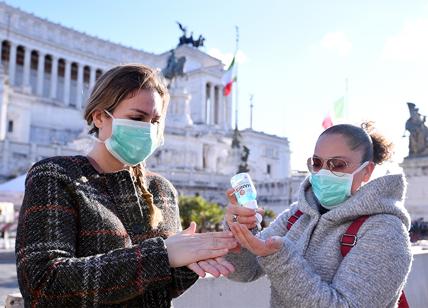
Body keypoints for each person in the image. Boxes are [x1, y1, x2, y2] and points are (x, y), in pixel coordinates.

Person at [15, 64, 237, 307]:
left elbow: (164, 288)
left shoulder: (161, 190)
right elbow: (42, 285)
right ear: (99, 116)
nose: (148, 129)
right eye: (137, 118)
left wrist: (199, 255)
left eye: (155, 120)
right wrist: (163, 254)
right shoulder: (56, 175)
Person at [221, 122, 412, 307]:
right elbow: (244, 272)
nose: (323, 173)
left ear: (367, 171)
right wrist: (240, 233)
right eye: (317, 163)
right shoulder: (298, 215)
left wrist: (279, 256)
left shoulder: (386, 231)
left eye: (338, 164)